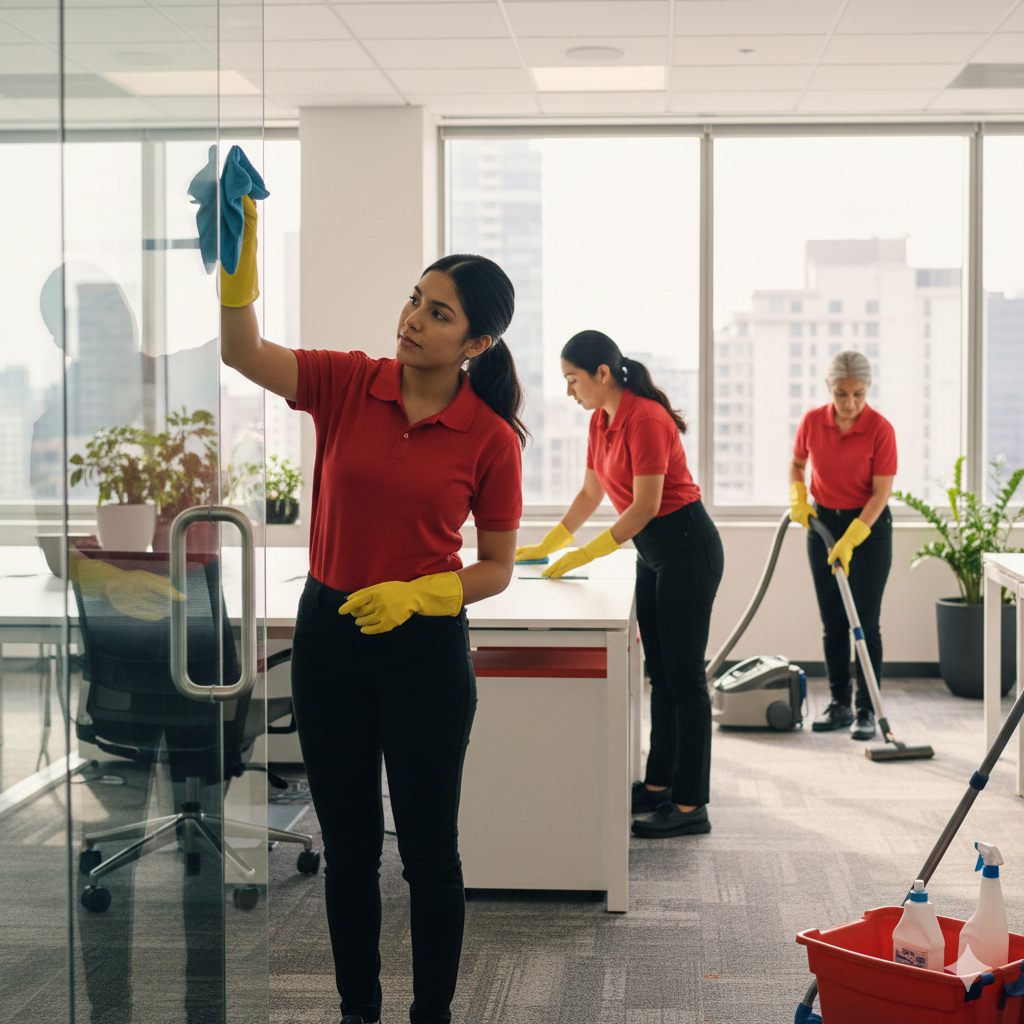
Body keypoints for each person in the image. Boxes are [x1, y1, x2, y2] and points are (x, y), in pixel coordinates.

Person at [220, 196, 526, 1024]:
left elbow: (497, 566)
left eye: (438, 312)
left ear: (478, 343)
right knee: (350, 852)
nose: (413, 320)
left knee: (429, 854)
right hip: (330, 641)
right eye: (413, 300)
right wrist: (237, 255)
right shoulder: (349, 381)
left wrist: (424, 593)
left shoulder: (489, 439)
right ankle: (360, 1011)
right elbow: (242, 349)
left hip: (424, 653)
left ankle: (433, 1014)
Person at [516, 330, 723, 839]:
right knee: (662, 676)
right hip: (652, 551)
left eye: (573, 380)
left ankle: (691, 803)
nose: (570, 391)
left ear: (602, 374)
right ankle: (658, 787)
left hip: (685, 546)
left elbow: (646, 505)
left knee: (685, 680)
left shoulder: (646, 419)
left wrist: (587, 553)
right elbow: (592, 491)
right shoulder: (600, 420)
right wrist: (553, 541)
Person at [789, 350, 896, 741]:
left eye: (859, 394)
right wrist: (799, 497)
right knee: (833, 621)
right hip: (822, 525)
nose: (850, 404)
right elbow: (797, 463)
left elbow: (882, 492)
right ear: (829, 389)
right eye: (841, 394)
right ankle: (839, 704)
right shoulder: (813, 421)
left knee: (864, 622)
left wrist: (853, 537)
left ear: (868, 390)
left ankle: (867, 711)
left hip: (867, 529)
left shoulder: (880, 429)